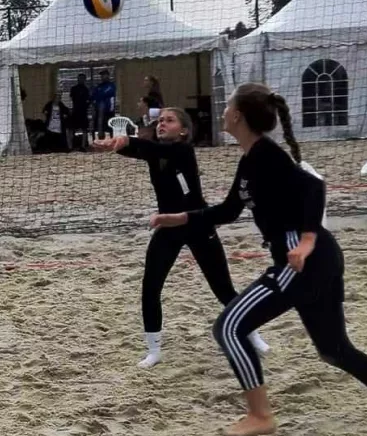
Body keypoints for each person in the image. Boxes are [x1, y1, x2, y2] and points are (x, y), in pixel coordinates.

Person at [150, 83, 367, 436]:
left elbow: (315, 187)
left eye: (227, 106)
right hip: (318, 259)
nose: (222, 111)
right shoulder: (250, 160)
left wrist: (308, 238)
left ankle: (260, 415)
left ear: (238, 116)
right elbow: (228, 210)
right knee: (334, 349)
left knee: (228, 327)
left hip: (303, 258)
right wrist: (179, 218)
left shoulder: (267, 154)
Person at [92, 107, 269, 369]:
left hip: (197, 222)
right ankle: (154, 351)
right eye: (159, 120)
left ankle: (252, 334)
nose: (161, 124)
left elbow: (149, 148)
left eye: (169, 120)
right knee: (150, 288)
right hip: (168, 225)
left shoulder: (184, 151)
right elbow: (141, 150)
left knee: (223, 289)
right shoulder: (155, 151)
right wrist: (115, 145)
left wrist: (127, 140)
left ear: (184, 130)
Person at [69, 73, 91, 151]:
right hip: (76, 111)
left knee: (84, 129)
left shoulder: (86, 89)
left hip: (83, 112)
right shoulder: (73, 88)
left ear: (84, 80)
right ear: (77, 79)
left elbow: (88, 100)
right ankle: (71, 146)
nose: (81, 80)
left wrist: (86, 106)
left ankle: (83, 146)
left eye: (82, 78)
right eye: (79, 78)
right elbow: (72, 99)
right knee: (72, 129)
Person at [92, 70, 116, 139]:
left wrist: (99, 95)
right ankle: (100, 140)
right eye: (102, 75)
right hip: (99, 111)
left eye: (104, 75)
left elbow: (104, 94)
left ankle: (111, 140)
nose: (102, 77)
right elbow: (94, 96)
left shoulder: (111, 85)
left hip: (109, 110)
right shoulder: (99, 86)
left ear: (108, 75)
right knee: (99, 127)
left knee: (110, 128)